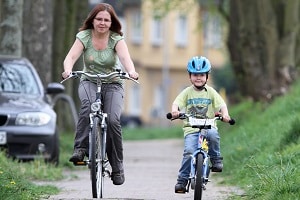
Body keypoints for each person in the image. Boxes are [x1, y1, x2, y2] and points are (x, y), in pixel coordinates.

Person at [62, 3, 139, 186]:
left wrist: (131, 71)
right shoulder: (84, 37)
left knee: (112, 120)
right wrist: (67, 70)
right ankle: (80, 149)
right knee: (88, 107)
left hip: (113, 83)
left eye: (106, 20)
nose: (102, 23)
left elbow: (125, 58)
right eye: (99, 19)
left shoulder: (116, 39)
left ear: (111, 22)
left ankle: (117, 167)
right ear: (93, 20)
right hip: (89, 80)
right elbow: (71, 57)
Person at [170, 56, 231, 193]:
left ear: (207, 76)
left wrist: (225, 115)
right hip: (191, 129)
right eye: (195, 75)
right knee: (189, 152)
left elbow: (221, 105)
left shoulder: (211, 92)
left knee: (214, 135)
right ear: (190, 76)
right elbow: (177, 103)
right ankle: (182, 180)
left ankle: (215, 159)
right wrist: (175, 111)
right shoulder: (187, 92)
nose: (198, 78)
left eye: (202, 75)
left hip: (208, 127)